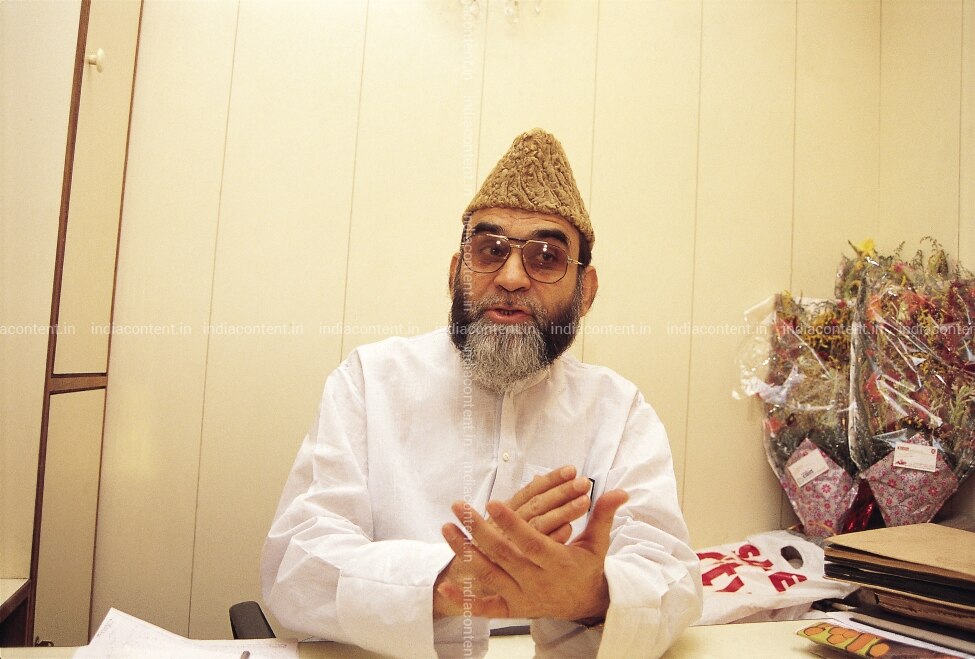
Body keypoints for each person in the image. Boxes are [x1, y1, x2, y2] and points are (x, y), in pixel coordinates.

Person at [261, 129, 702, 658]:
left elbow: (672, 575)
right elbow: (296, 565)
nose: (512, 277)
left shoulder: (619, 410)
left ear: (585, 292)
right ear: (456, 273)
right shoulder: (369, 381)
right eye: (490, 251)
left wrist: (592, 595)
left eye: (546, 257)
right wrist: (449, 579)